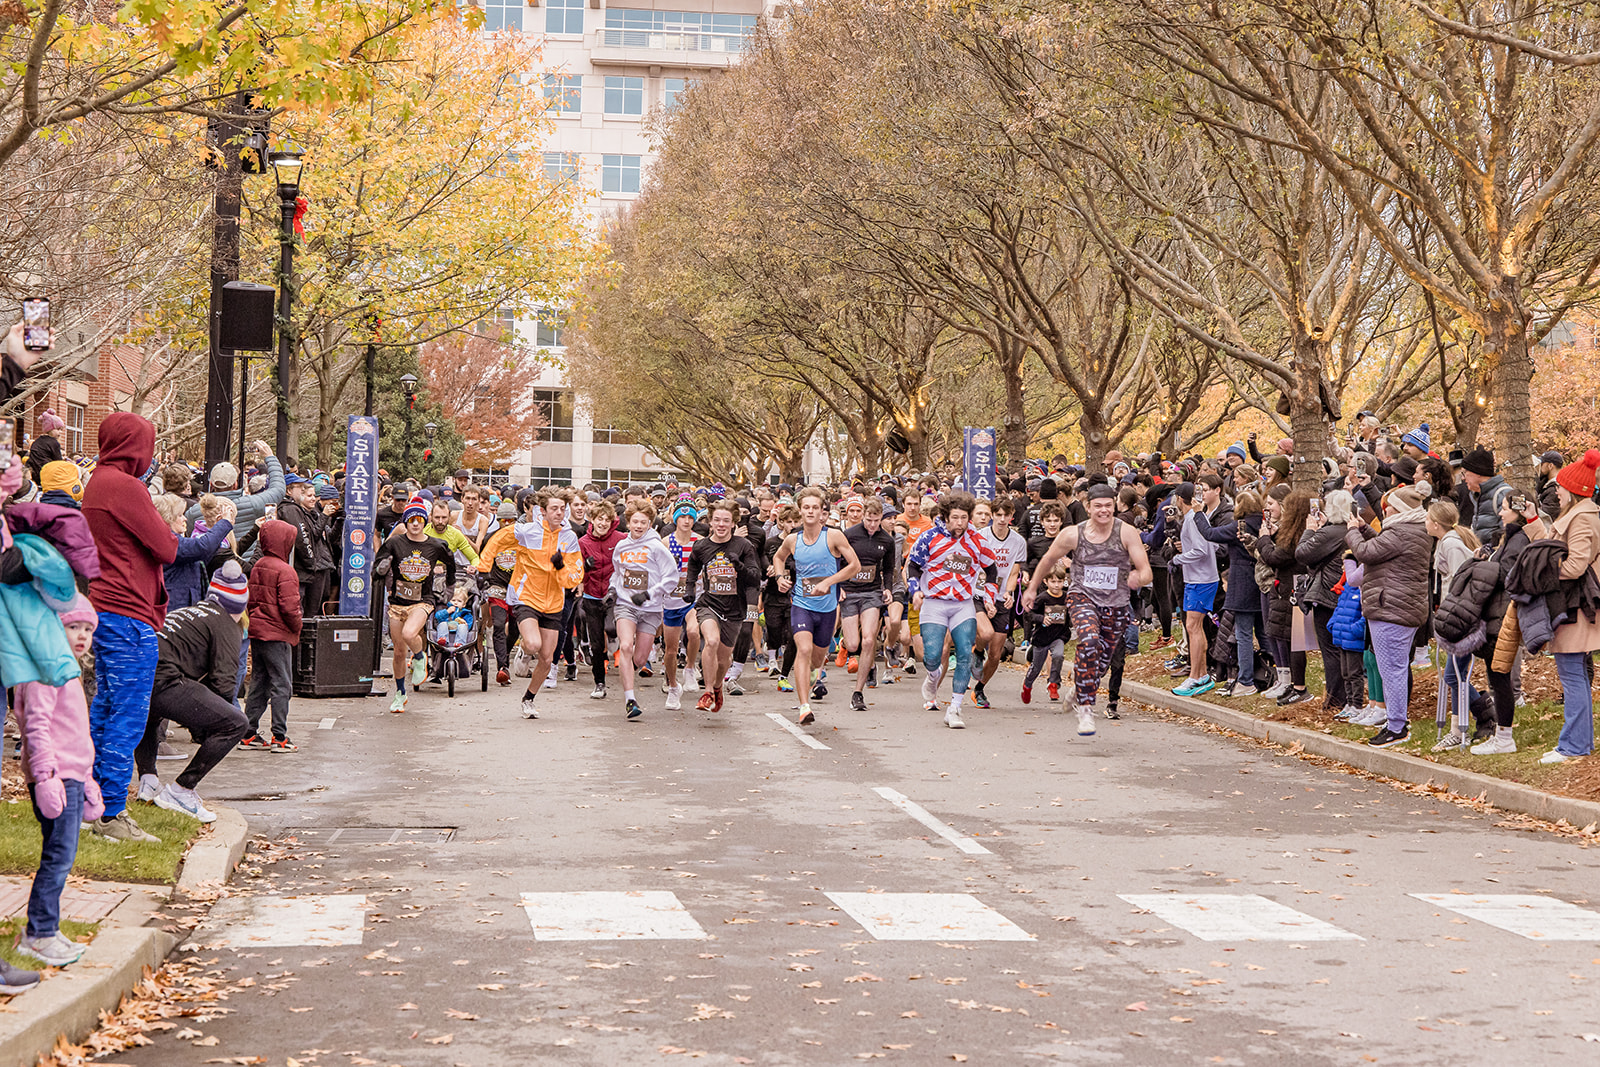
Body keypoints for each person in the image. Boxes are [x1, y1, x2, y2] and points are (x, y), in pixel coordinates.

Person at [82, 412, 178, 843]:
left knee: (105, 707)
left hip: (106, 607)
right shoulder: (125, 487)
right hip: (129, 612)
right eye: (148, 445)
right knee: (127, 713)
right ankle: (111, 813)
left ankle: (93, 802)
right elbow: (166, 545)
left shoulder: (98, 483)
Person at [13, 593, 104, 969]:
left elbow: (75, 731)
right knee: (58, 857)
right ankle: (39, 934)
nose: (82, 635)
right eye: (72, 627)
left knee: (61, 854)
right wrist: (47, 776)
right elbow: (36, 727)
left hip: (70, 774)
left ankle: (45, 927)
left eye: (87, 628)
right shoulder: (43, 669)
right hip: (54, 777)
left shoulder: (65, 666)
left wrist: (86, 776)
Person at [1024, 483, 1152, 735]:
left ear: (1115, 505)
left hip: (1115, 603)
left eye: (1108, 505)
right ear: (1087, 507)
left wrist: (1139, 577)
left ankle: (1078, 688)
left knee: (1102, 663)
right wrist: (1031, 589)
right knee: (1090, 641)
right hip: (1083, 597)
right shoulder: (1073, 534)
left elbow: (1145, 568)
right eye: (1098, 506)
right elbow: (1048, 560)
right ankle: (1085, 708)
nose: (1104, 511)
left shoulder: (1126, 532)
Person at [134, 563, 250, 821]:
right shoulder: (228, 626)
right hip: (165, 679)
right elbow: (223, 683)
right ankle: (182, 789)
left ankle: (148, 780)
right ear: (239, 605)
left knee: (152, 713)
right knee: (235, 723)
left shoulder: (190, 612)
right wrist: (206, 725)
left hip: (140, 673)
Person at [1517, 449, 1600, 764]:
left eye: (1562, 487)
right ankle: (1578, 742)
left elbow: (1574, 565)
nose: (1557, 490)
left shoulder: (1584, 519)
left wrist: (1541, 573)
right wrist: (1533, 521)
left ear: (1575, 492)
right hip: (1571, 606)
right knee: (1573, 673)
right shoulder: (1577, 516)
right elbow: (1551, 548)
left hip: (1575, 607)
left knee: (1572, 675)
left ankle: (1574, 746)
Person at [1346, 485, 1433, 747]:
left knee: (1391, 670)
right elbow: (1381, 547)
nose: (1386, 510)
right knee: (1393, 668)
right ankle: (1396, 722)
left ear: (1402, 510)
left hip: (1391, 608)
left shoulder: (1401, 532)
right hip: (1399, 607)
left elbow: (1365, 552)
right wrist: (1364, 529)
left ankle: (1397, 727)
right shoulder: (1413, 530)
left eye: (1391, 506)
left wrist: (1351, 532)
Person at [769, 486, 861, 726]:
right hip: (801, 604)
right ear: (800, 511)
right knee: (804, 649)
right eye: (806, 507)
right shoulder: (792, 540)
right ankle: (804, 706)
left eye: (815, 508)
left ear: (822, 512)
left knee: (818, 658)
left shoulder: (833, 536)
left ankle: (810, 676)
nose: (810, 512)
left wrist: (829, 582)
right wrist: (780, 578)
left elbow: (854, 566)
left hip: (827, 608)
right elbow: (778, 558)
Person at [905, 491, 996, 730]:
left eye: (964, 518)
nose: (959, 523)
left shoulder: (977, 541)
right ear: (946, 517)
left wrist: (989, 597)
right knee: (932, 655)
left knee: (965, 651)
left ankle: (955, 708)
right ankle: (933, 676)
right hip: (934, 602)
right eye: (955, 517)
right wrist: (915, 591)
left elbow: (992, 570)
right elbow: (913, 567)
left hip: (962, 603)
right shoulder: (929, 538)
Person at [374, 497, 457, 712]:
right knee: (399, 652)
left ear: (425, 521)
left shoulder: (435, 545)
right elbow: (378, 566)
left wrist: (449, 589)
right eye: (411, 520)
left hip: (423, 600)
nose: (415, 524)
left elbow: (451, 564)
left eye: (420, 519)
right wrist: (383, 572)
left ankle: (420, 657)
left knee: (411, 634)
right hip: (397, 604)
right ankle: (400, 694)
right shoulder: (395, 542)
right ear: (405, 522)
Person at [508, 490, 583, 720]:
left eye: (562, 509)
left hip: (554, 601)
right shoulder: (527, 531)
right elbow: (500, 539)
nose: (559, 513)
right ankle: (524, 647)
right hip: (528, 596)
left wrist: (562, 569)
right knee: (532, 644)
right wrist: (480, 563)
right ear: (543, 511)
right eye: (554, 508)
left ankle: (528, 698)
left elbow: (575, 572)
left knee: (547, 658)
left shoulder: (569, 537)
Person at [685, 501, 763, 713]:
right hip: (709, 604)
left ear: (733, 523)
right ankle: (708, 692)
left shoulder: (744, 546)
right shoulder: (701, 546)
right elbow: (693, 566)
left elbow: (756, 578)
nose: (721, 524)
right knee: (711, 641)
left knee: (724, 659)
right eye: (717, 520)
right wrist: (690, 588)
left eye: (726, 521)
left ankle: (718, 685)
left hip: (735, 608)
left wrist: (740, 566)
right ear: (710, 521)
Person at [609, 503, 681, 719]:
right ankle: (630, 700)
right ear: (628, 523)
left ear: (650, 524)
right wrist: (612, 590)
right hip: (626, 604)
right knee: (625, 646)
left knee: (639, 659)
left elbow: (672, 578)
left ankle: (629, 669)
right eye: (635, 522)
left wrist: (649, 594)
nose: (638, 526)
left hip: (650, 609)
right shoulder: (621, 546)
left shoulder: (657, 547)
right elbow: (616, 573)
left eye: (643, 522)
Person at [1193, 489, 1264, 696]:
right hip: (1261, 581)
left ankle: (1246, 679)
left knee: (1243, 633)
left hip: (1241, 583)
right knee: (1262, 631)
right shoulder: (1264, 524)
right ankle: (1269, 673)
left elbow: (1210, 534)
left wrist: (1199, 513)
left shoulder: (1238, 527)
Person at [241, 519, 303, 752]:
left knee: (259, 681)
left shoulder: (258, 565)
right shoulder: (286, 571)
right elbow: (290, 608)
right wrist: (296, 627)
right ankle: (280, 736)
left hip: (257, 632)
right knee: (281, 684)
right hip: (278, 634)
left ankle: (249, 732)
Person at [838, 497, 896, 710]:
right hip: (850, 592)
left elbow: (889, 568)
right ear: (863, 517)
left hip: (872, 592)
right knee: (854, 644)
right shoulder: (850, 536)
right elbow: (837, 562)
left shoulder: (887, 540)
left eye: (877, 520)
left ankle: (858, 692)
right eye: (869, 520)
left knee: (869, 641)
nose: (873, 525)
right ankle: (845, 645)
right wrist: (839, 587)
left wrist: (887, 588)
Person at [972, 499, 1026, 710]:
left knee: (996, 653)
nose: (1002, 519)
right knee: (985, 634)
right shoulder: (981, 537)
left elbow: (1014, 572)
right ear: (992, 515)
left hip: (1002, 596)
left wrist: (1010, 592)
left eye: (1006, 515)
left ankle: (979, 689)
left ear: (1011, 515)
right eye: (998, 515)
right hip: (979, 592)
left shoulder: (1019, 542)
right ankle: (976, 651)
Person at [1170, 481, 1220, 696]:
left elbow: (1201, 550)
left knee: (1193, 626)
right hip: (1199, 578)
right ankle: (1200, 674)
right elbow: (1213, 544)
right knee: (1194, 627)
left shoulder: (1191, 519)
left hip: (1201, 580)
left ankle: (1197, 676)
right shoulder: (1199, 517)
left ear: (1181, 499)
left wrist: (1178, 558)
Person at [185, 440, 284, 547]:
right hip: (247, 561)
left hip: (211, 562)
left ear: (211, 484)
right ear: (235, 484)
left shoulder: (195, 511)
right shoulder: (252, 504)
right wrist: (269, 457)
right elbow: (279, 489)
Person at [578, 502, 625, 699]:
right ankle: (599, 683)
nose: (603, 523)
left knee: (611, 628)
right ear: (592, 520)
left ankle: (614, 639)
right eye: (600, 519)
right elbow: (576, 569)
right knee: (596, 645)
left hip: (613, 595)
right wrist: (585, 569)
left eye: (607, 519)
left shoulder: (621, 539)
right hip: (591, 596)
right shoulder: (583, 542)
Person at [660, 499, 702, 709]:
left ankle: (690, 668)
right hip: (671, 600)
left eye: (690, 517)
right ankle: (674, 686)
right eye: (682, 517)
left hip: (694, 597)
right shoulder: (666, 543)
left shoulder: (701, 541)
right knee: (670, 650)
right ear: (675, 519)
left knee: (694, 631)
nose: (686, 521)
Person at [475, 500, 522, 685]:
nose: (507, 525)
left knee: (516, 629)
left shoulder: (523, 539)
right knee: (499, 624)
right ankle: (502, 667)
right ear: (499, 521)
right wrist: (484, 579)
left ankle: (506, 654)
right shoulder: (490, 539)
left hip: (518, 588)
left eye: (511, 521)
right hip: (498, 587)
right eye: (504, 521)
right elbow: (484, 562)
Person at [1019, 561, 1069, 704]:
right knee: (1036, 667)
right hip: (1041, 637)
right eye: (1053, 581)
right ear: (1046, 581)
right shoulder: (1042, 598)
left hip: (1059, 635)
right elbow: (1028, 614)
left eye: (1059, 581)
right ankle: (1027, 685)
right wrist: (1041, 618)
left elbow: (1071, 613)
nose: (1056, 585)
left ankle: (1053, 683)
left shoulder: (1067, 597)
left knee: (1058, 655)